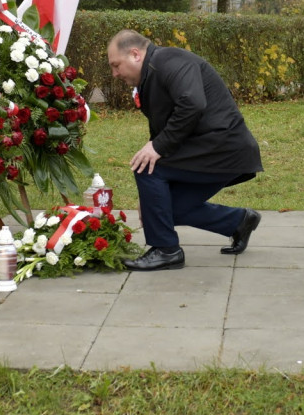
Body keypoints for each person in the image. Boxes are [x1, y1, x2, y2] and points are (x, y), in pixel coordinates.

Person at [107, 29, 263, 271]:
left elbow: (193, 103)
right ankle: (239, 221)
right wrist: (149, 201)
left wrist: (157, 148)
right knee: (164, 209)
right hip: (214, 148)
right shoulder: (152, 74)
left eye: (116, 65)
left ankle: (166, 250)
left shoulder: (170, 61)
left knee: (146, 167)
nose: (114, 73)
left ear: (135, 54)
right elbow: (162, 131)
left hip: (224, 147)